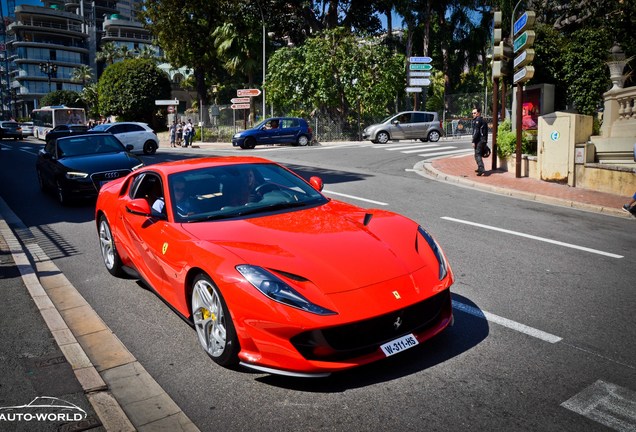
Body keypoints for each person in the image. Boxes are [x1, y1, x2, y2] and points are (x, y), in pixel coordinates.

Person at [471, 106, 488, 176]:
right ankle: (479, 168)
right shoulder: (482, 120)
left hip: (480, 140)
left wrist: (473, 141)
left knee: (477, 154)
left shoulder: (478, 120)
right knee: (477, 154)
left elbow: (477, 131)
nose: (473, 114)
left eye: (475, 113)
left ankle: (481, 169)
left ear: (478, 113)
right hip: (483, 140)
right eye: (472, 113)